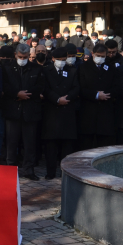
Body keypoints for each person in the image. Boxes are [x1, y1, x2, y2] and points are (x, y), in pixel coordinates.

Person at [2, 44, 44, 180]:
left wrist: (27, 94)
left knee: (29, 143)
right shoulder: (7, 68)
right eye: (20, 57)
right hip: (13, 110)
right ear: (15, 55)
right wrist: (16, 94)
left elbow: (40, 86)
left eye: (25, 57)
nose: (22, 59)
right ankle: (10, 169)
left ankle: (28, 169)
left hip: (30, 110)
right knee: (11, 142)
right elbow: (4, 86)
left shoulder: (36, 68)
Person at [41, 47, 80, 179]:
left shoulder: (72, 71)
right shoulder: (46, 71)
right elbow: (45, 88)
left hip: (67, 112)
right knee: (50, 146)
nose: (62, 62)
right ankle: (50, 172)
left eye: (64, 60)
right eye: (59, 60)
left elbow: (76, 88)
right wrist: (57, 99)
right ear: (53, 59)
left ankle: (66, 174)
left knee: (67, 146)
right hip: (51, 112)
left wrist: (66, 98)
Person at [78, 44, 120, 149]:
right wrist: (96, 95)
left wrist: (105, 95)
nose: (100, 58)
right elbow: (81, 88)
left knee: (104, 145)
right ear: (92, 54)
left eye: (103, 56)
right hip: (88, 112)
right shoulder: (83, 67)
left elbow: (117, 87)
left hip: (105, 112)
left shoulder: (111, 68)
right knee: (87, 145)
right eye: (98, 55)